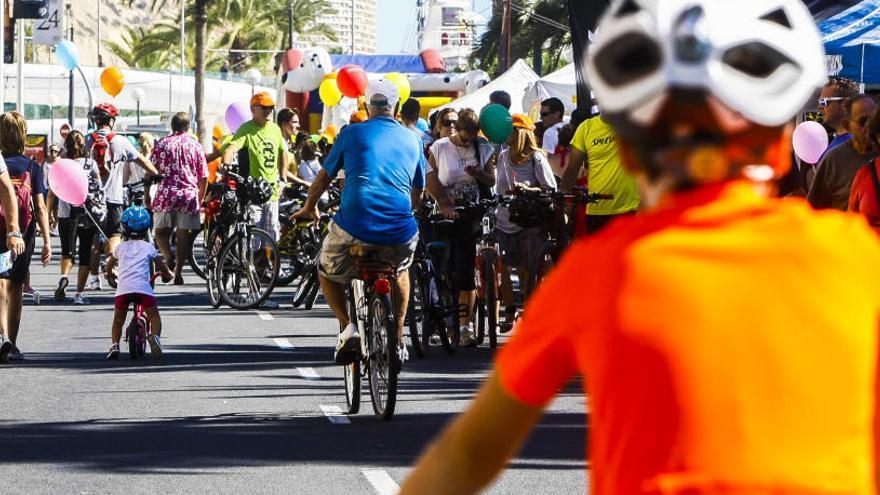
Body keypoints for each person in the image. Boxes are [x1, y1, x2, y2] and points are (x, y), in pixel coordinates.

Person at [401, 1, 880, 493]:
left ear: (627, 148)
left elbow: (469, 454)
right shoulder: (860, 262)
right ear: (784, 143)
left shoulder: (603, 273)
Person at [291, 79, 425, 365]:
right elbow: (419, 190)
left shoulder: (351, 133)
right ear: (396, 107)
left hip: (353, 225)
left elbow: (323, 178)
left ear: (366, 106)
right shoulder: (413, 138)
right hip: (399, 229)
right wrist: (409, 211)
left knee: (326, 270)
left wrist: (309, 207)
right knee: (401, 269)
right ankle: (399, 337)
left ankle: (348, 326)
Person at [425, 108, 495, 346]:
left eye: (472, 138)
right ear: (457, 131)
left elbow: (491, 180)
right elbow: (429, 175)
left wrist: (478, 173)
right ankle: (444, 318)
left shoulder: (482, 146)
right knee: (442, 267)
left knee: (465, 271)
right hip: (444, 214)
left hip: (470, 213)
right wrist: (442, 202)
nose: (468, 142)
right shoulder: (441, 147)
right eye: (464, 138)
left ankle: (465, 326)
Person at [86, 103, 157, 289]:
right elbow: (141, 161)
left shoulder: (86, 140)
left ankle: (94, 279)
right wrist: (156, 174)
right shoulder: (120, 141)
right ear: (111, 121)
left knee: (94, 238)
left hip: (90, 199)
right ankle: (111, 265)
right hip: (113, 198)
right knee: (114, 234)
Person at [493, 114, 555, 326]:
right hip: (504, 218)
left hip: (528, 218)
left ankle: (530, 309)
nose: (505, 134)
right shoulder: (502, 156)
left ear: (520, 133)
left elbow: (550, 187)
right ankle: (509, 310)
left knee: (528, 267)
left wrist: (529, 189)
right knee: (506, 265)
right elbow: (499, 187)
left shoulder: (536, 157)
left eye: (510, 130)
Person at [0, 112, 51, 362]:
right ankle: (14, 344)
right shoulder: (32, 166)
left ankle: (2, 336)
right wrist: (47, 242)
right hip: (23, 232)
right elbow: (40, 207)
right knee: (16, 287)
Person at [105, 206, 173, 360]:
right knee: (154, 316)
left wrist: (109, 273)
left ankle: (115, 345)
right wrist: (167, 273)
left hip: (123, 290)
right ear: (146, 228)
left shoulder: (120, 248)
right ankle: (155, 338)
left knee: (118, 320)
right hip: (143, 290)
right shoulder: (148, 247)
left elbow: (109, 264)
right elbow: (160, 263)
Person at [222, 92, 289, 242]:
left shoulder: (275, 129)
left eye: (271, 107)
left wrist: (283, 178)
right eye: (264, 107)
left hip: (272, 192)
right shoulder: (246, 128)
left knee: (271, 238)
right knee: (253, 239)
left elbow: (283, 152)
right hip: (253, 191)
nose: (269, 111)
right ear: (253, 109)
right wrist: (225, 164)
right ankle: (249, 264)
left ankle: (269, 265)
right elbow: (230, 149)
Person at [150, 112, 208, 284]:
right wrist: (200, 198)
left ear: (172, 126)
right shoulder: (195, 146)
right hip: (188, 195)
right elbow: (203, 176)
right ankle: (179, 272)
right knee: (184, 235)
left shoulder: (162, 144)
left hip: (166, 194)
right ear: (188, 127)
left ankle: (168, 255)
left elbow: (151, 168)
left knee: (159, 233)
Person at [561, 112, 641, 235]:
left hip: (631, 209)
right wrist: (563, 197)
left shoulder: (634, 123)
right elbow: (572, 168)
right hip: (597, 211)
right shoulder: (586, 127)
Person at [48, 131, 103, 305]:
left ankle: (64, 276)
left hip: (66, 214)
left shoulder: (61, 165)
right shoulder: (90, 164)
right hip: (88, 213)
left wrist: (50, 212)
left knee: (67, 252)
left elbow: (52, 193)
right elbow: (99, 188)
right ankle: (79, 293)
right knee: (85, 254)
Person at [808, 94, 878, 211]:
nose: (870, 127)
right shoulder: (833, 160)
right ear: (847, 126)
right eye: (863, 121)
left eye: (874, 121)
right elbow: (814, 210)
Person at [538, 97, 568, 178]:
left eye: (544, 114)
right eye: (541, 114)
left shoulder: (550, 133)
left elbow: (546, 163)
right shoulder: (571, 127)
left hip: (559, 179)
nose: (541, 118)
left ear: (557, 114)